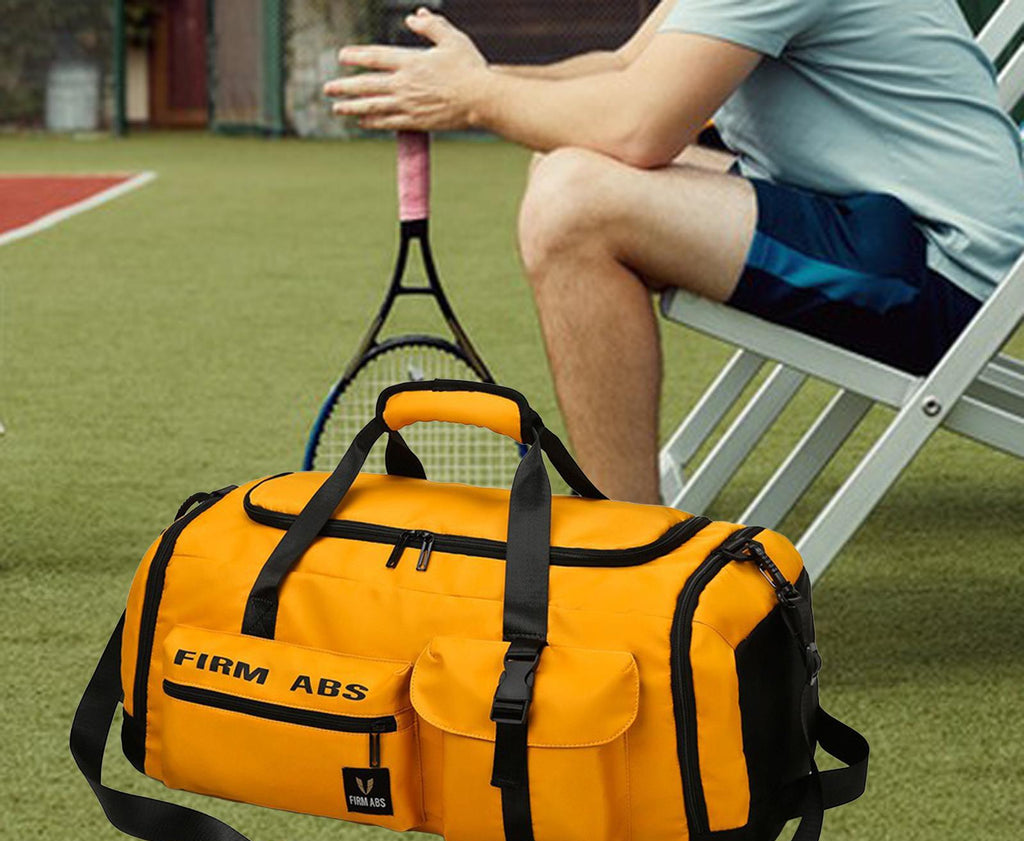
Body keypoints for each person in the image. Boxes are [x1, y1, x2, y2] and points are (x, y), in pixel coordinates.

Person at [325, 2, 1024, 504]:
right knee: (568, 165)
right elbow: (626, 67)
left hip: (943, 270)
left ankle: (626, 555)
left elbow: (638, 126)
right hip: (887, 225)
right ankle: (627, 526)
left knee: (575, 202)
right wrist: (466, 80)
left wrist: (476, 98)